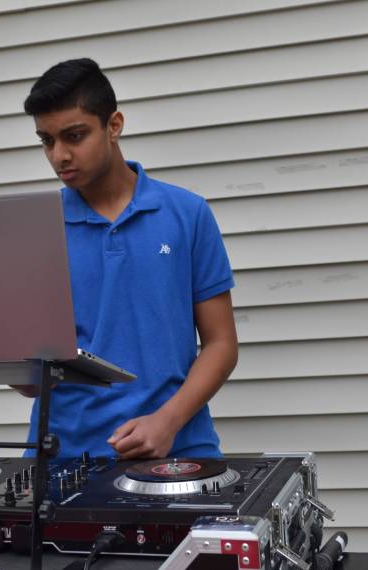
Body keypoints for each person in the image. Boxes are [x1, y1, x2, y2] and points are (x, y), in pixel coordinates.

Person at [18, 58, 239, 460]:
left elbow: (221, 343)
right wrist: (14, 366)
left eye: (74, 136)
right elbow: (34, 380)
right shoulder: (36, 228)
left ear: (114, 125)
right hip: (63, 455)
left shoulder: (187, 214)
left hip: (179, 449)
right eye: (46, 141)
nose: (59, 155)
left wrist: (168, 421)